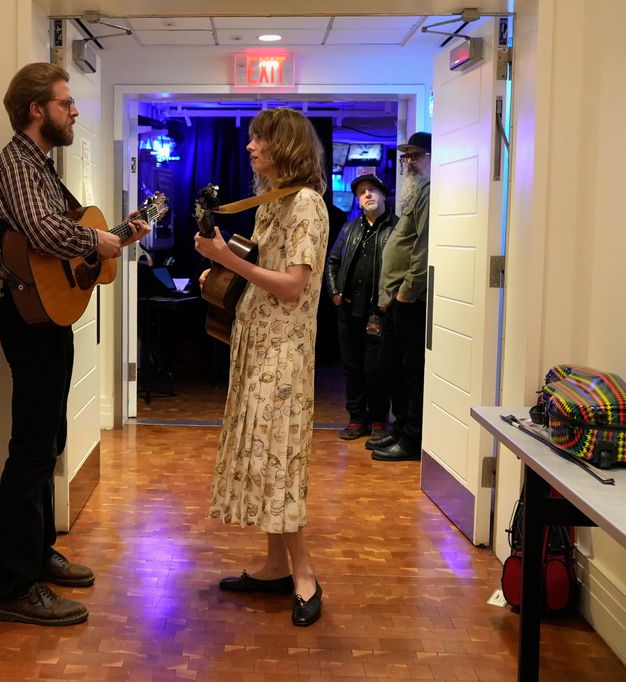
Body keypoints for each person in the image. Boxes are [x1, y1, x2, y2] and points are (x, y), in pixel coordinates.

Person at [0, 62, 149, 626]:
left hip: (48, 318)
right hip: (29, 321)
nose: (75, 110)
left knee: (48, 439)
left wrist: (114, 236)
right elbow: (43, 231)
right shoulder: (16, 165)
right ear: (37, 110)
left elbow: (64, 240)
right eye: (65, 101)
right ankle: (14, 586)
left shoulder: (41, 167)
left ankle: (35, 554)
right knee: (30, 450)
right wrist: (99, 238)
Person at [194, 107, 329, 627]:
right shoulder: (275, 202)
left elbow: (293, 286)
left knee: (280, 459)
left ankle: (304, 576)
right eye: (251, 138)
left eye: (260, 139)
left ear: (286, 146)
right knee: (265, 456)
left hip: (283, 354)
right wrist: (223, 268)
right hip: (258, 345)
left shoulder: (307, 204)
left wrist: (227, 260)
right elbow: (262, 271)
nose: (250, 147)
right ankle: (275, 566)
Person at [372, 131, 431, 462]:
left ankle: (411, 439)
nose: (409, 162)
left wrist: (407, 293)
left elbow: (423, 248)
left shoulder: (429, 193)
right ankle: (400, 428)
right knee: (390, 367)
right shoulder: (413, 193)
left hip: (410, 301)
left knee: (410, 372)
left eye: (416, 155)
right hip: (397, 299)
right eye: (406, 157)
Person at [324, 174, 396, 442]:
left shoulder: (396, 228)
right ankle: (356, 419)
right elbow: (332, 262)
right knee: (352, 367)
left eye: (372, 189)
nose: (367, 194)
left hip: (379, 312)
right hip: (348, 311)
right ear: (357, 200)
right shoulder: (349, 228)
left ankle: (378, 419)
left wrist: (389, 302)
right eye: (362, 192)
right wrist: (334, 294)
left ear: (383, 194)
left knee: (377, 368)